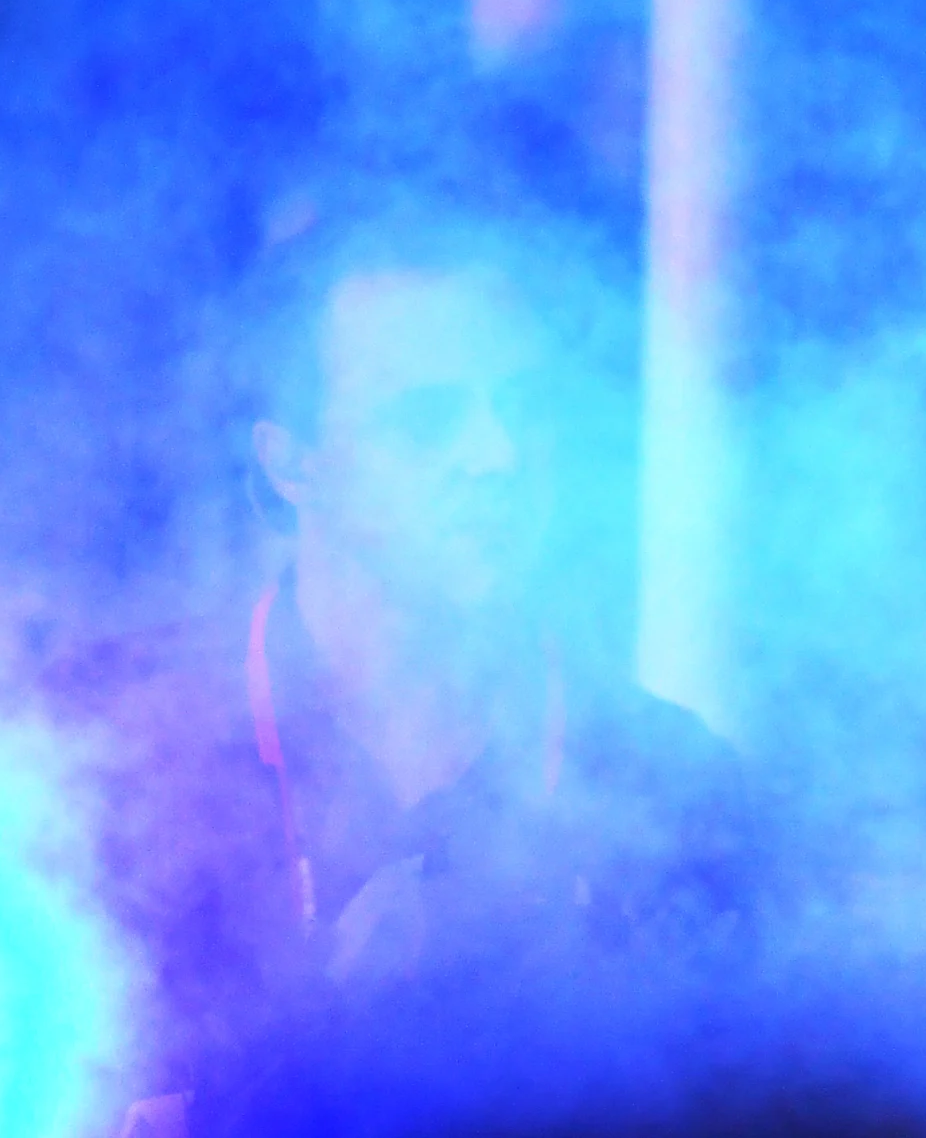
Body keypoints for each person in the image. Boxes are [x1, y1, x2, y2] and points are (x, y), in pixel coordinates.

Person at [105, 182, 761, 1138]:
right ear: (292, 467)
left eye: (524, 408)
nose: (495, 456)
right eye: (424, 419)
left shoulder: (676, 791)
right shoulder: (115, 765)